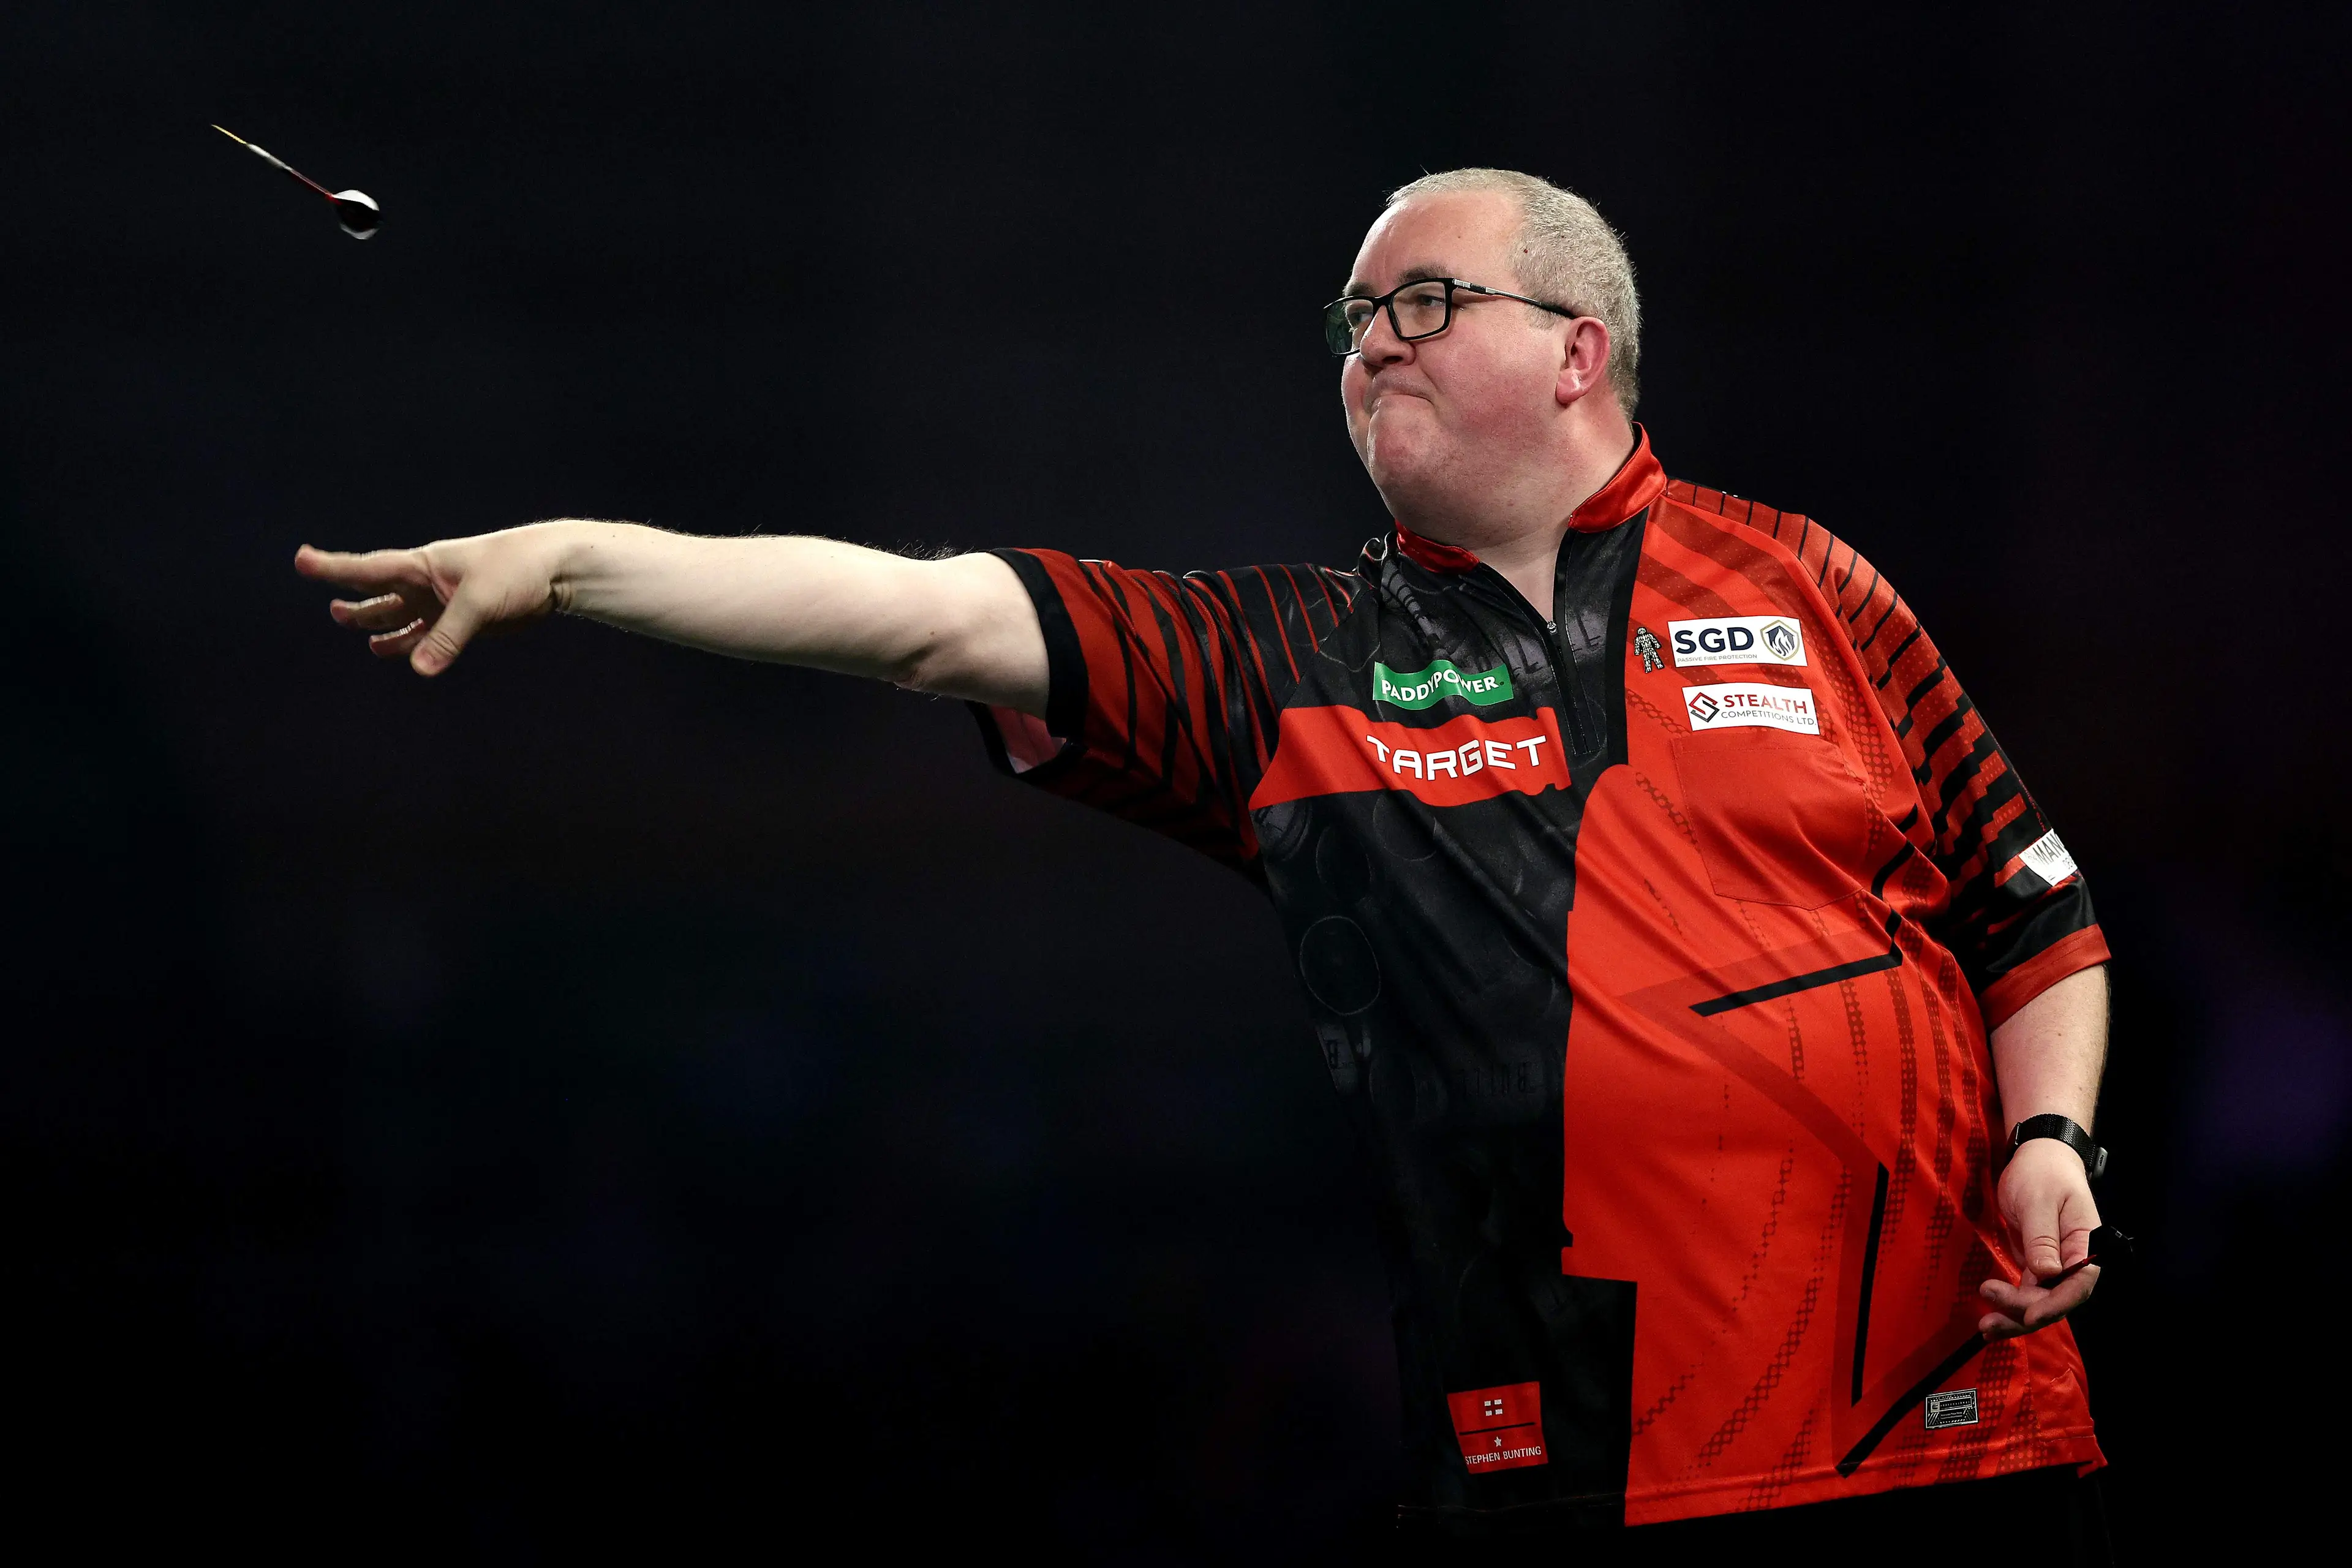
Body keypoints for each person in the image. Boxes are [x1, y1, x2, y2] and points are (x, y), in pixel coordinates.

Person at [296, 167, 2114, 1558]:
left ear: (1581, 350)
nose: (1367, 340)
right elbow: (932, 620)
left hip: (1956, 1422)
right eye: (1348, 317)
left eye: (1420, 298)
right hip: (1578, 1474)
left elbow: (2034, 921)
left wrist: (2050, 1140)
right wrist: (578, 559)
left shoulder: (1810, 581)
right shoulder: (1286, 660)